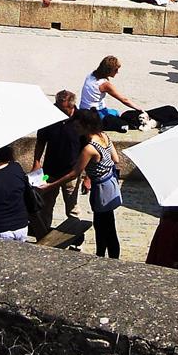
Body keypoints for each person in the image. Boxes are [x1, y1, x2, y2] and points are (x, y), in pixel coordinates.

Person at [42, 108, 120, 257]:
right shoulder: (104, 136)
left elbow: (74, 173)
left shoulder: (89, 149)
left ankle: (103, 257)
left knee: (102, 227)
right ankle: (109, 256)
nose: (75, 129)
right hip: (110, 184)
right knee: (108, 225)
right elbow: (115, 159)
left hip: (101, 189)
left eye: (77, 126)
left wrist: (50, 186)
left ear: (86, 126)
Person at [29, 90, 85, 237]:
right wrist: (36, 162)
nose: (58, 110)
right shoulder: (49, 116)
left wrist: (87, 176)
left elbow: (88, 148)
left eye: (62, 108)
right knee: (45, 206)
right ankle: (43, 235)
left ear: (71, 106)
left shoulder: (81, 119)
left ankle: (75, 239)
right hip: (49, 172)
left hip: (72, 173)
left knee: (72, 208)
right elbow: (41, 141)